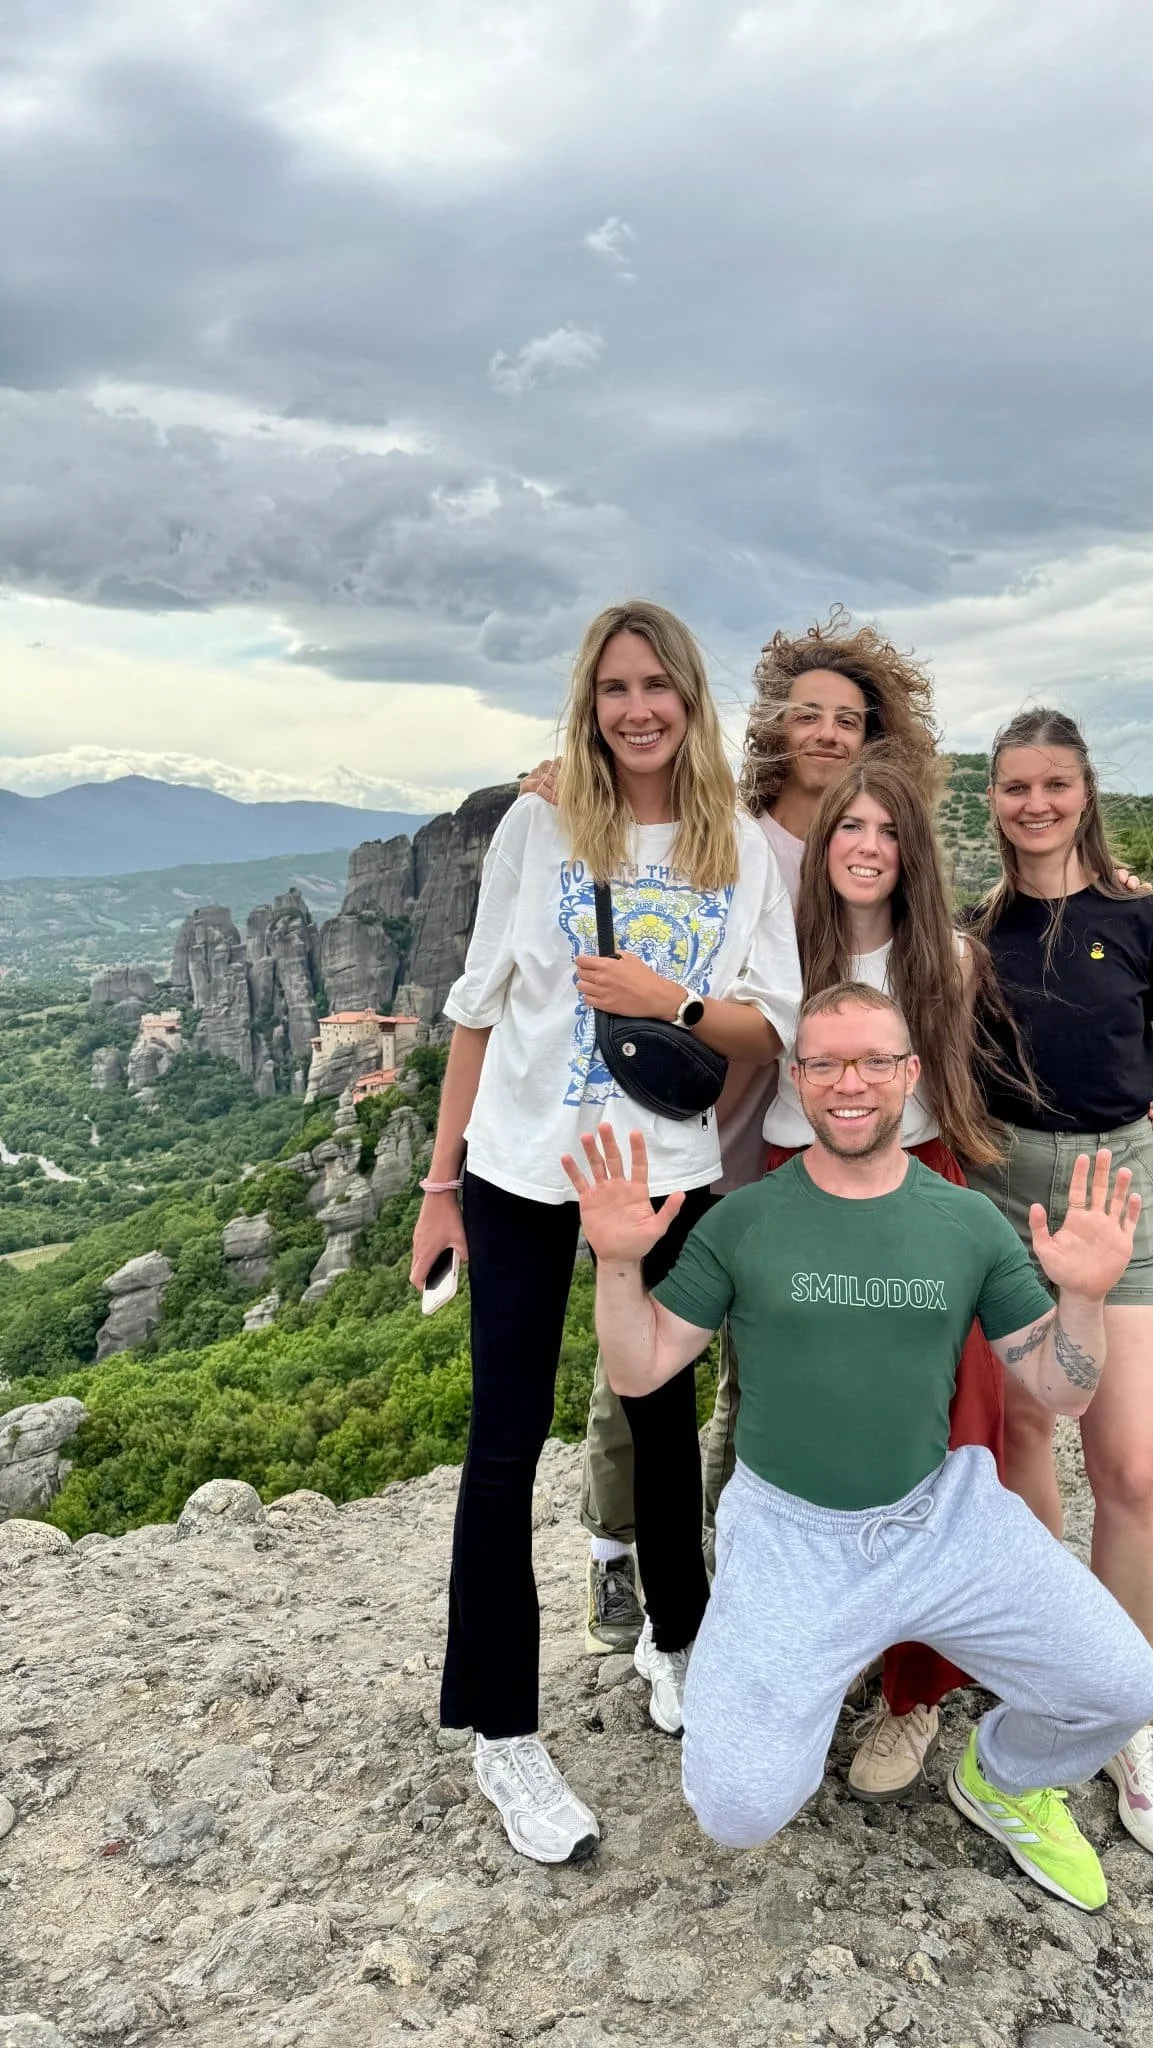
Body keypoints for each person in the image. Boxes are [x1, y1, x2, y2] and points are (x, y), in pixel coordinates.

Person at [563, 982, 1153, 1914]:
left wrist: (1084, 1296)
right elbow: (641, 1371)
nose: (852, 1084)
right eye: (827, 1063)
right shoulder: (745, 1220)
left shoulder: (964, 1222)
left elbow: (1058, 1388)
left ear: (910, 1075)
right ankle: (786, 1701)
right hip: (791, 1534)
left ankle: (1000, 1777)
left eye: (875, 1061)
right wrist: (614, 1262)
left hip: (943, 1516)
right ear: (797, 1080)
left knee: (1123, 1688)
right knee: (737, 1808)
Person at [409, 599, 800, 1864]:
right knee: (504, 1437)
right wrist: (438, 1187)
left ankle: (674, 1643)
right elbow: (477, 1004)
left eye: (658, 687)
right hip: (522, 1169)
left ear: (690, 697)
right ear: (591, 701)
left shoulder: (735, 841)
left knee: (663, 1419)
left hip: (663, 1170)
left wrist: (668, 995)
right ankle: (502, 1731)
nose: (638, 709)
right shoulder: (539, 822)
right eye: (615, 688)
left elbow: (766, 1026)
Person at [573, 611, 943, 1651]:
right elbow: (630, 829)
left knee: (757, 1366)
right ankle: (615, 1542)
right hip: (696, 1132)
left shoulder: (872, 838)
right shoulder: (728, 827)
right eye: (809, 714)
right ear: (779, 722)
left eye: (849, 718)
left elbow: (933, 932)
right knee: (643, 1355)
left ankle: (727, 1555)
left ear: (876, 733)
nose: (827, 733)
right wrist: (548, 783)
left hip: (793, 1142)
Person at [966, 707, 1153, 1866]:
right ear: (994, 799)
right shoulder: (972, 935)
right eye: (1015, 785)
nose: (1035, 803)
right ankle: (1043, 1673)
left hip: (1123, 1187)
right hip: (1006, 1187)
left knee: (1131, 1465)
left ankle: (1129, 1712)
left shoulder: (1144, 917)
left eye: (1054, 782)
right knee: (1024, 1433)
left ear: (1083, 788)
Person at [759, 755, 1015, 1800]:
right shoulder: (779, 939)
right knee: (815, 1442)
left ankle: (916, 1695)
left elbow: (951, 1091)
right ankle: (830, 1662)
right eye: (847, 825)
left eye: (886, 827)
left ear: (911, 847)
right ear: (824, 845)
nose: (866, 843)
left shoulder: (946, 956)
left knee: (949, 1436)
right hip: (796, 1187)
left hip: (914, 1188)